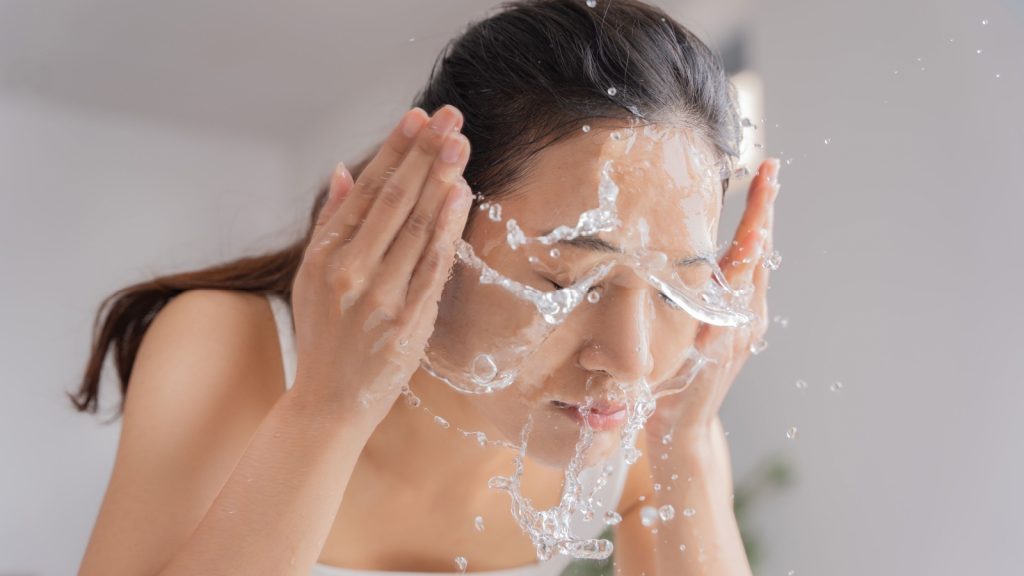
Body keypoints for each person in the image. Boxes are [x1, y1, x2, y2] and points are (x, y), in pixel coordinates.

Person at [72, 1, 779, 574]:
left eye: (671, 288)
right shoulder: (226, 347)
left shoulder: (647, 421)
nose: (630, 360)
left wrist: (684, 445)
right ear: (429, 226)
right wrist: (329, 407)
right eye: (569, 279)